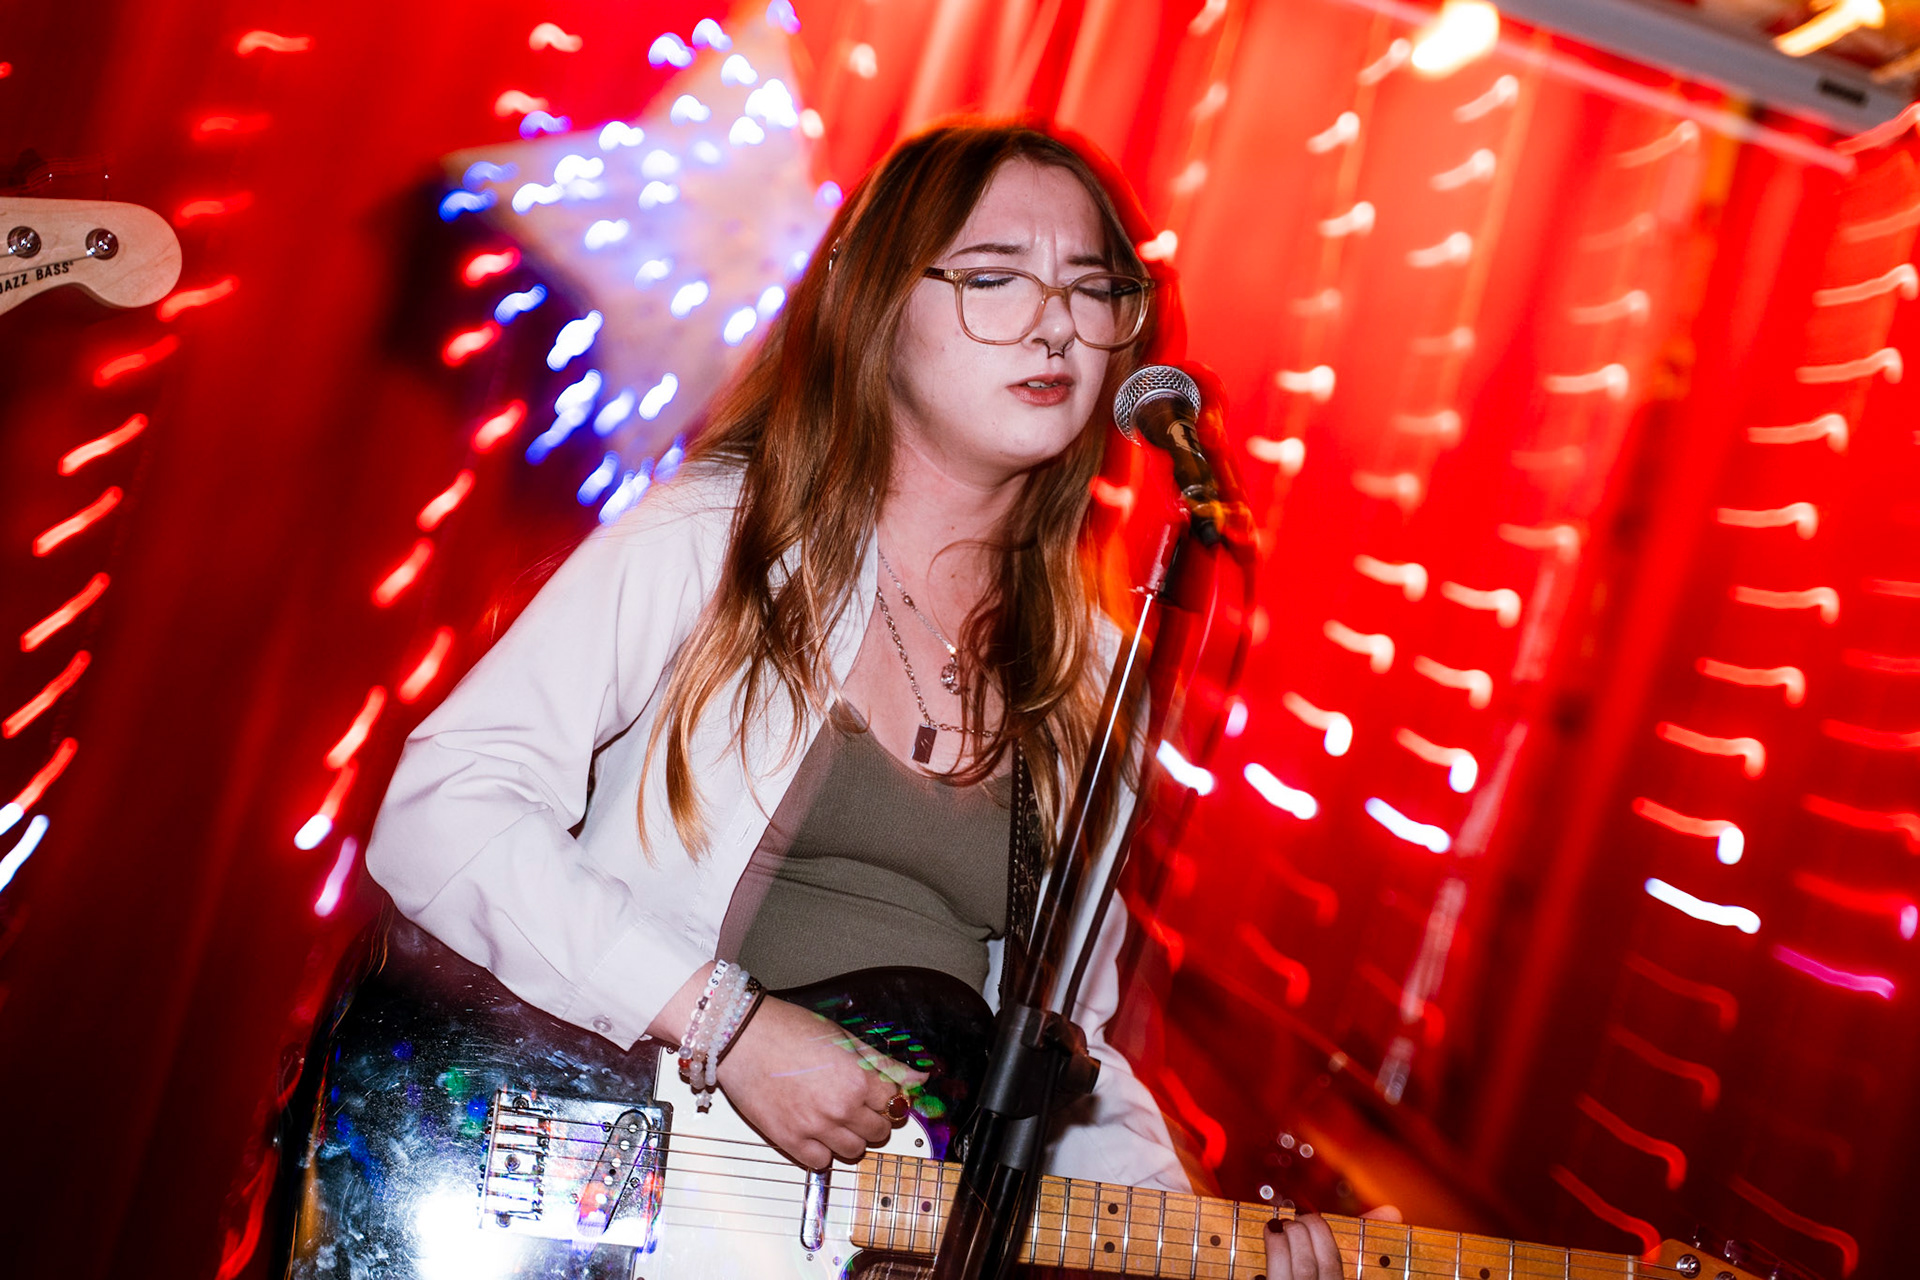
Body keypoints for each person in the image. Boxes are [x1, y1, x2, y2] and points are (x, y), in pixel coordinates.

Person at [365, 117, 1349, 1277]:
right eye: (995, 277)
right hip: (614, 1205)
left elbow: (1060, 1054)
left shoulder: (1089, 676)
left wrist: (1213, 1240)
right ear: (877, 300)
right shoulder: (718, 539)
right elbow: (443, 811)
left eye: (1094, 289)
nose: (1056, 324)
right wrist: (723, 1022)